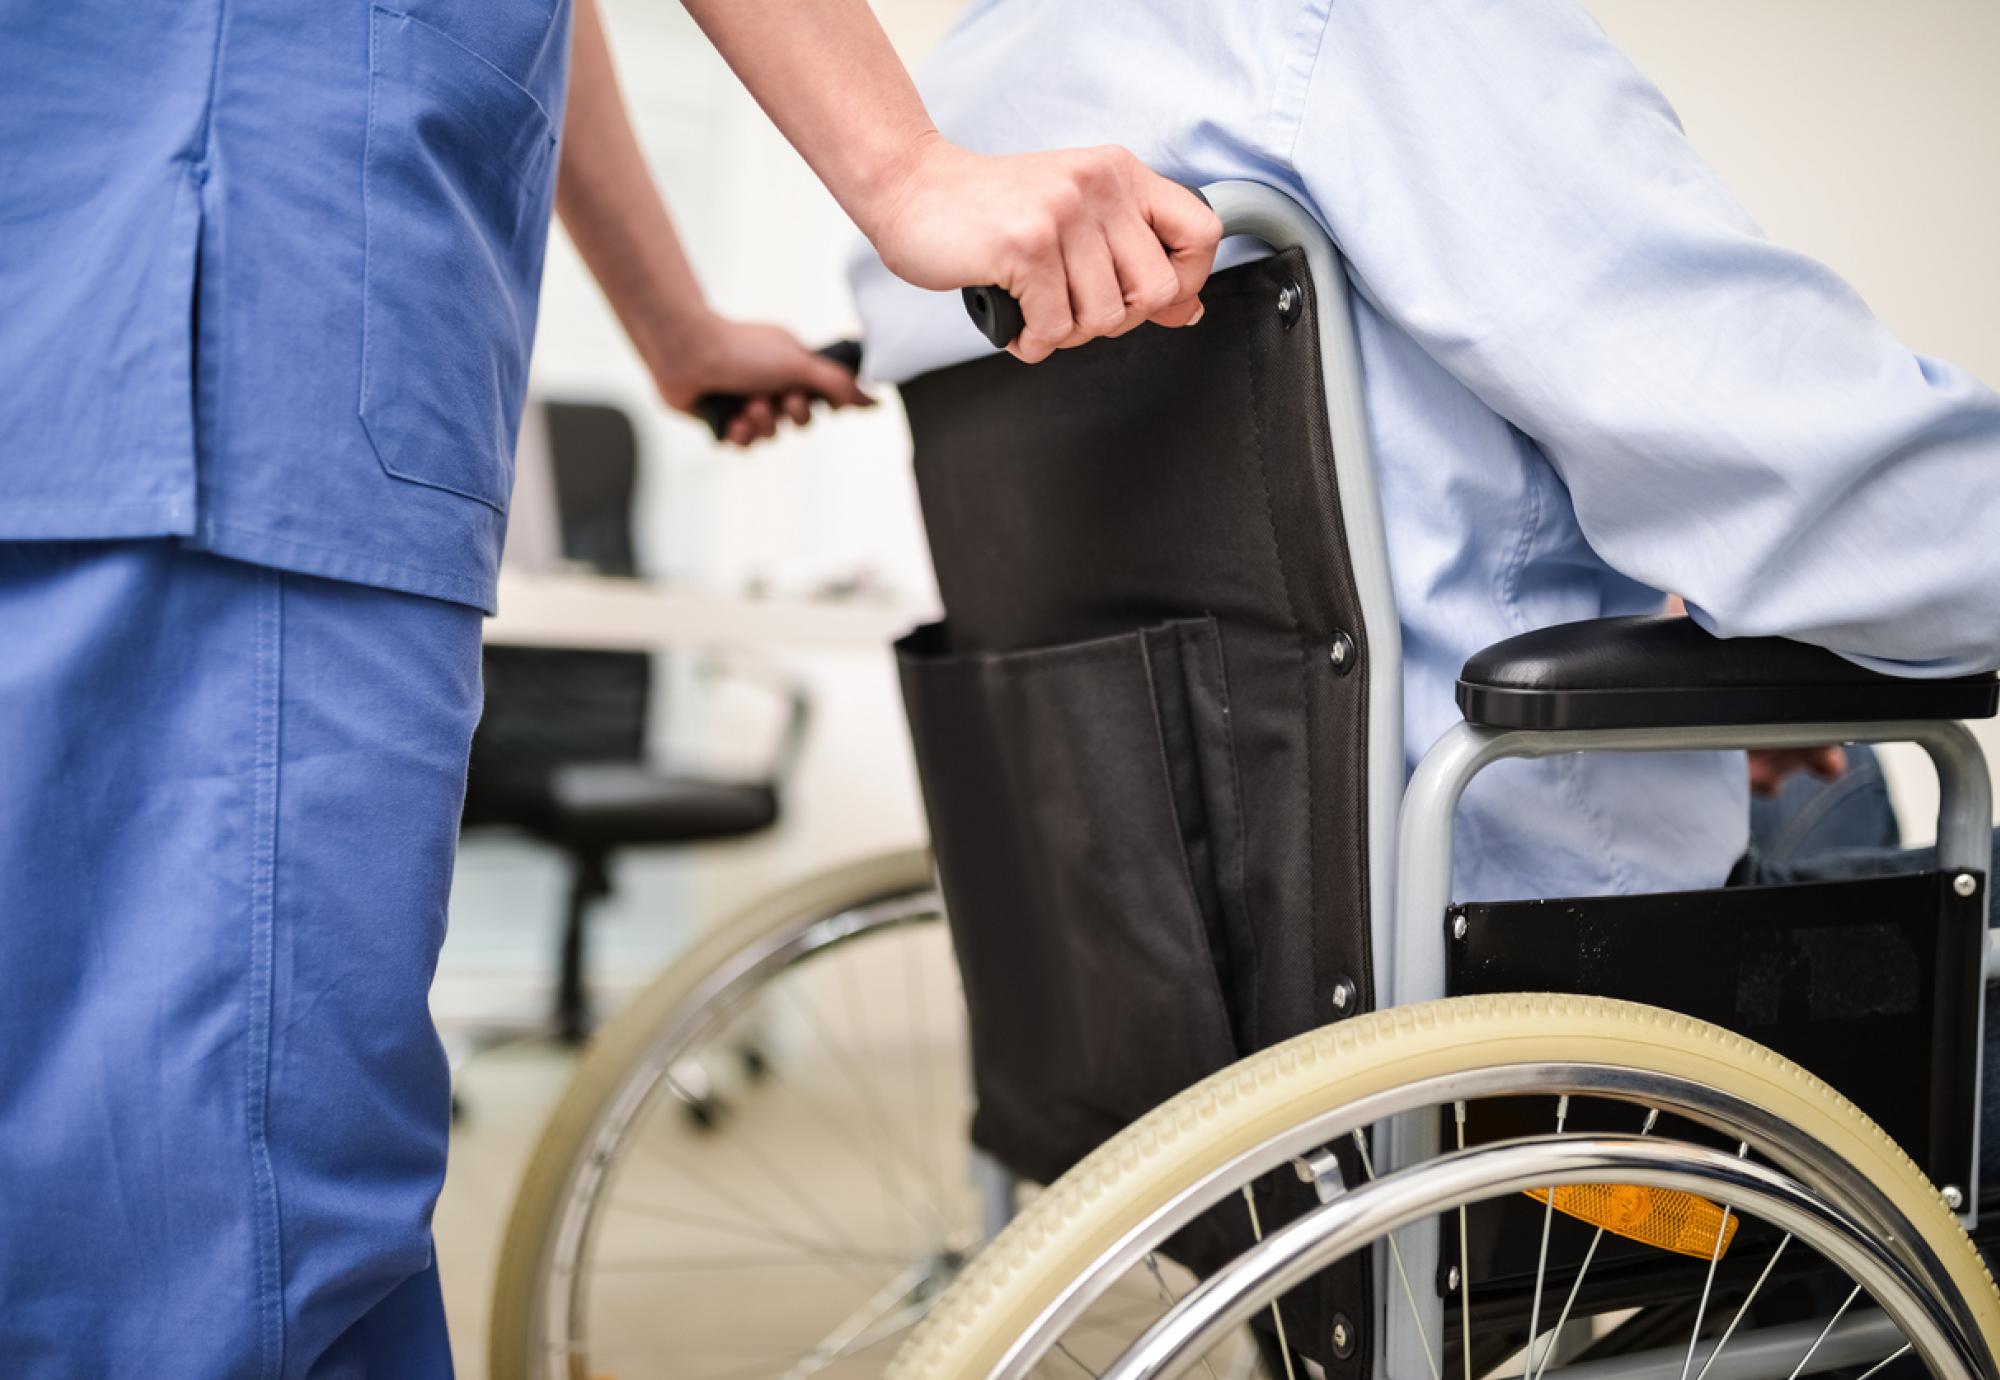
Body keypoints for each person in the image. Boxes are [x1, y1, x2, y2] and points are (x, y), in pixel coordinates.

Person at [0, 0, 1220, 1373]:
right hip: (227, 340)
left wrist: (673, 319)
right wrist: (909, 172)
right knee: (212, 1238)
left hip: (90, 319)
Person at [851, 0, 2000, 908]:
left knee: (1835, 772)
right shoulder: (1345, 26)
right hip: (1530, 983)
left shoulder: (952, 105)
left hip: (1182, 991)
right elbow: (1833, 504)